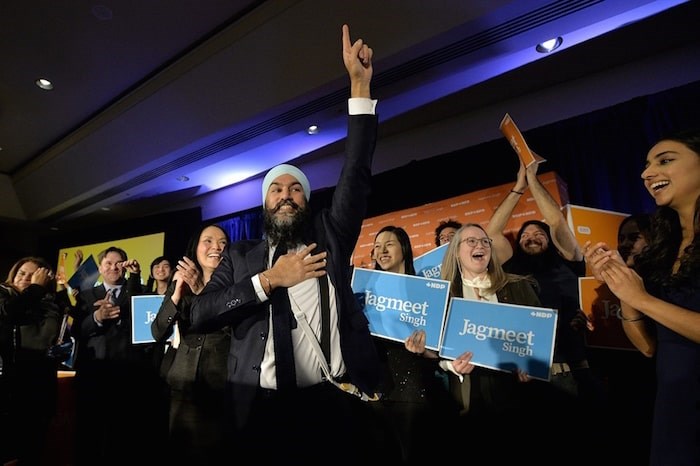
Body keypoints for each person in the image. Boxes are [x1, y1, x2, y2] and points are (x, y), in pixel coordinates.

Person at [190, 24, 382, 463]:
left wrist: (358, 87)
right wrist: (269, 280)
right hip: (259, 410)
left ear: (306, 202)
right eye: (276, 190)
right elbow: (199, 314)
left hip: (329, 404)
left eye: (295, 190)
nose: (285, 196)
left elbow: (356, 174)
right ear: (265, 204)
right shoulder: (239, 257)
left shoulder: (329, 236)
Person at [583, 128, 700, 466]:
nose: (647, 174)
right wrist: (622, 284)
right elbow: (648, 347)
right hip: (674, 409)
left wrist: (644, 299)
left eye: (665, 161)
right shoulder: (664, 249)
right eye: (646, 165)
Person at [486, 160, 606, 459]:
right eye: (525, 235)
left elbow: (556, 223)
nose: (531, 236)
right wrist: (518, 186)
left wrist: (534, 179)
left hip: (577, 374)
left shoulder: (568, 260)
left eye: (538, 234)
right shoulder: (512, 268)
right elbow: (493, 231)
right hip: (529, 380)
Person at [405, 223, 537, 459]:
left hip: (516, 394)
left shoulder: (518, 286)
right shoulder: (442, 296)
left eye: (485, 241)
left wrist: (531, 363)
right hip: (469, 394)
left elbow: (539, 338)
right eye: (472, 241)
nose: (480, 245)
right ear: (456, 252)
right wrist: (450, 366)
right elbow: (436, 354)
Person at [367, 225, 457, 463]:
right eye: (377, 246)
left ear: (404, 249)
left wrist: (426, 352)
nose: (382, 250)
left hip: (415, 393)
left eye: (389, 244)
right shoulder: (363, 291)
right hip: (376, 396)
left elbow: (441, 352)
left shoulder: (427, 291)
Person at [71, 246, 165, 465]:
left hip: (130, 376)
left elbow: (149, 327)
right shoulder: (85, 296)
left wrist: (134, 277)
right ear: (100, 268)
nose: (113, 267)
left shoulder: (141, 290)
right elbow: (76, 332)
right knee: (91, 436)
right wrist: (96, 317)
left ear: (126, 265)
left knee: (125, 438)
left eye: (118, 263)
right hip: (94, 376)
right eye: (108, 263)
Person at [151, 224, 230, 466]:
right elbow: (158, 332)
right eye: (208, 241)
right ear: (194, 249)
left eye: (223, 243)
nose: (216, 247)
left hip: (220, 386)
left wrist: (201, 290)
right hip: (182, 385)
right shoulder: (180, 285)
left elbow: (233, 329)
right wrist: (175, 295)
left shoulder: (236, 284)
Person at [586, 212, 656, 464]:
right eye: (621, 238)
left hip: (654, 384)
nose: (625, 243)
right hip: (619, 384)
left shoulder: (662, 281)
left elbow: (649, 346)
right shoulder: (609, 283)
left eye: (634, 237)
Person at [0, 257, 62, 465]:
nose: (25, 279)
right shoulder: (3, 296)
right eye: (21, 274)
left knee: (33, 450)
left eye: (33, 275)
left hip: (38, 389)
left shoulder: (49, 304)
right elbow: (11, 313)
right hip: (9, 389)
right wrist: (35, 289)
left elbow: (47, 338)